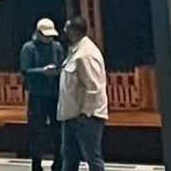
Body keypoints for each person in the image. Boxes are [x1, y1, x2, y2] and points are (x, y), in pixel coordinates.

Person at [57, 18, 108, 171]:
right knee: (69, 157)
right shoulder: (75, 51)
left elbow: (93, 87)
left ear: (74, 31)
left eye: (66, 30)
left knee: (92, 157)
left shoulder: (85, 54)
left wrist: (85, 114)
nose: (63, 33)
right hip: (71, 116)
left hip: (86, 117)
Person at [20, 17, 62, 171]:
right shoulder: (28, 48)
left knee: (57, 130)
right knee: (36, 131)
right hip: (37, 95)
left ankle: (58, 161)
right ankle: (36, 163)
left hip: (54, 94)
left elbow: (62, 64)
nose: (49, 38)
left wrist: (56, 71)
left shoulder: (56, 47)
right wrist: (42, 72)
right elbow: (25, 70)